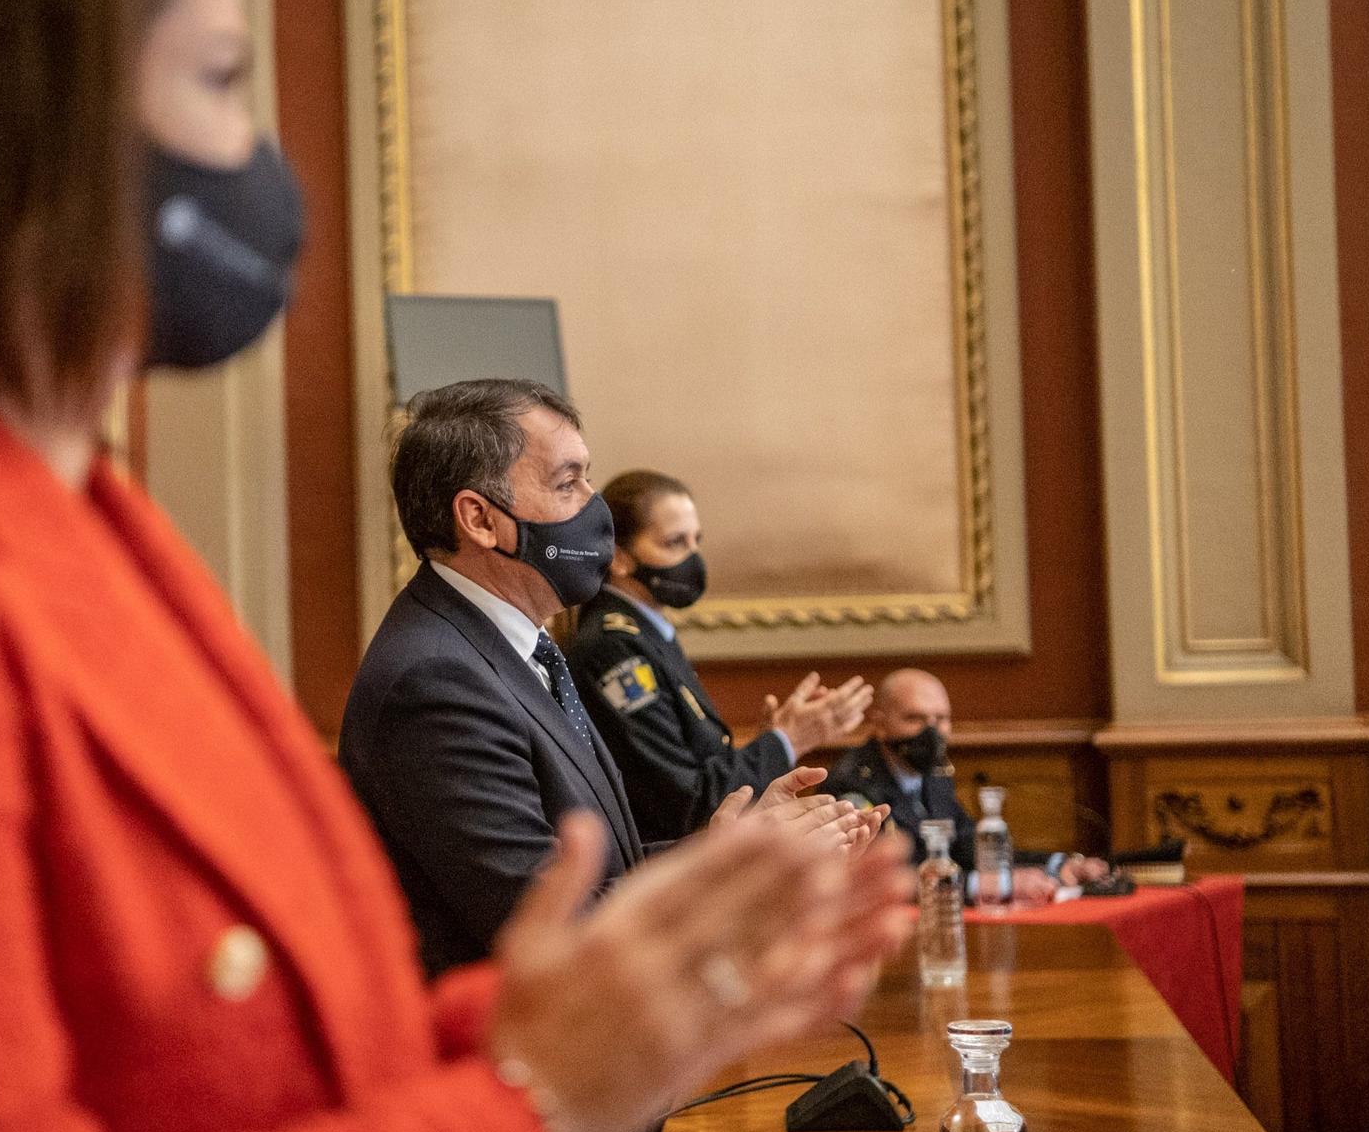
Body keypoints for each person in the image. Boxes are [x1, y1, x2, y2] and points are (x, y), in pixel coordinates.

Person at [0, 0, 917, 1132]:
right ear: (29, 128)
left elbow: (290, 1051)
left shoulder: (97, 533)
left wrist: (649, 983)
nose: (260, 157)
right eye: (222, 81)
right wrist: (531, 1100)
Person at [338, 382, 877, 984]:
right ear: (480, 519)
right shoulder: (435, 684)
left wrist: (737, 847)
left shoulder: (520, 646)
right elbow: (546, 925)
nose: (594, 507)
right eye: (568, 483)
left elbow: (604, 869)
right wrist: (724, 870)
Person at [567, 470, 877, 843]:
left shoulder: (647, 634)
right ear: (619, 558)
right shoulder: (614, 648)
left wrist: (772, 739)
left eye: (696, 541)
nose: (692, 559)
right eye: (674, 543)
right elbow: (686, 803)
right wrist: (787, 739)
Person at [822, 667, 1110, 905]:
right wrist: (979, 885)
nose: (931, 732)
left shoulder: (935, 774)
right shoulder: (852, 785)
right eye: (915, 719)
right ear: (880, 723)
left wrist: (1057, 864)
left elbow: (967, 843)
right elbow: (875, 880)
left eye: (941, 719)